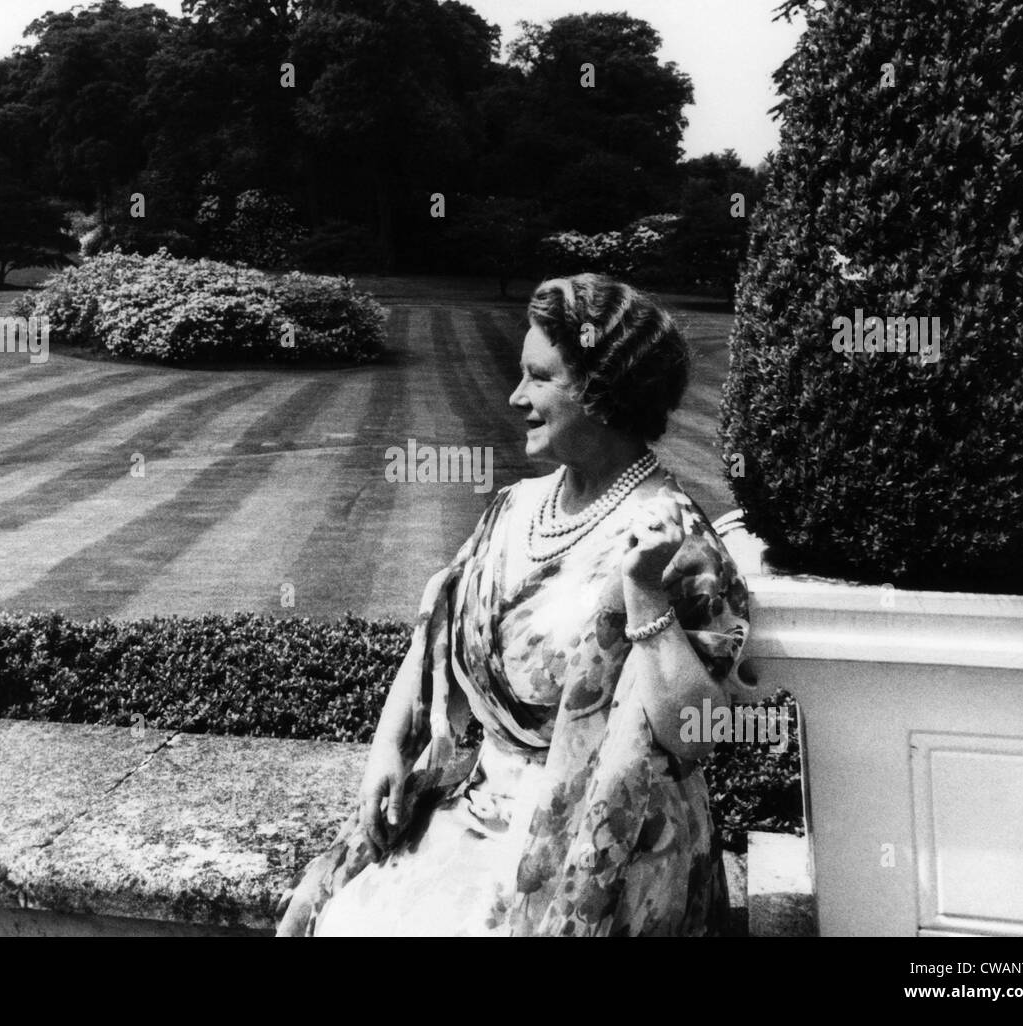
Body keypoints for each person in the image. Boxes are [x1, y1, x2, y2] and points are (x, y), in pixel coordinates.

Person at [277, 273, 754, 937]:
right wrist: (388, 750)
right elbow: (432, 639)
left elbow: (697, 734)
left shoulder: (672, 535)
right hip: (475, 811)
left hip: (602, 852)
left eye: (539, 377)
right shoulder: (514, 509)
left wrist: (645, 595)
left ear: (603, 391)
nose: (516, 396)